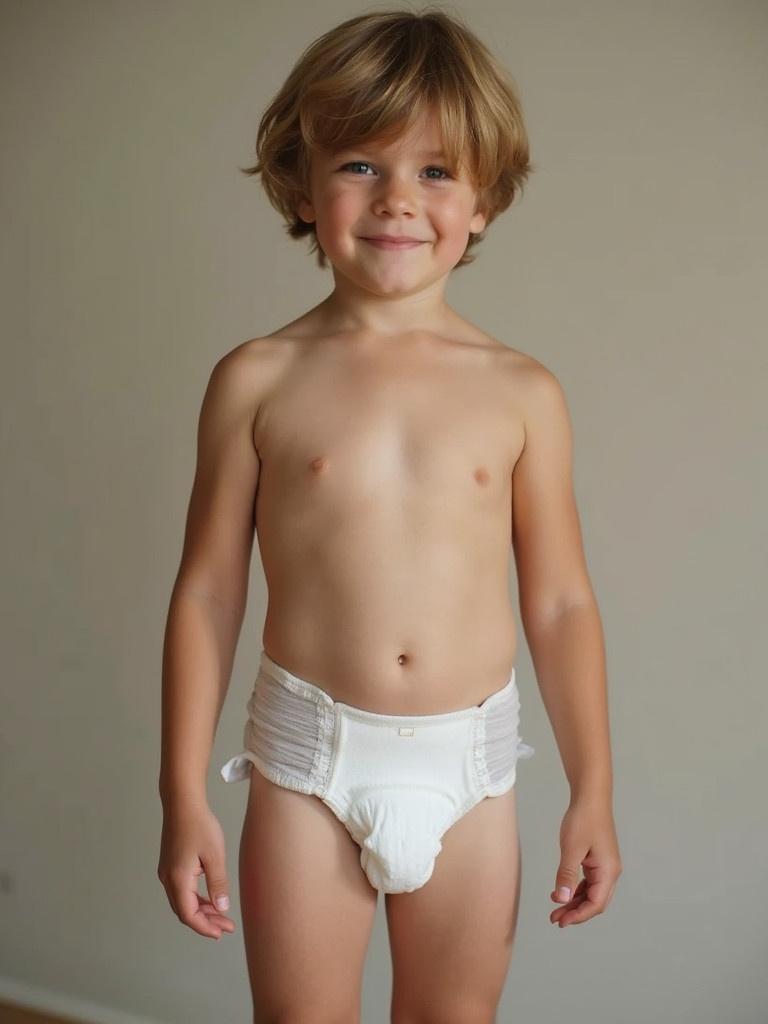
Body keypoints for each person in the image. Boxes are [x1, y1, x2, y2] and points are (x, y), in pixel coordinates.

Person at [157, 6, 622, 1021]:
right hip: (308, 763)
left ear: (486, 201)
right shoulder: (256, 378)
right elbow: (207, 590)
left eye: (438, 172)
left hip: (470, 771)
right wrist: (181, 790)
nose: (399, 200)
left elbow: (560, 603)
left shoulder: (521, 391)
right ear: (302, 179)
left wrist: (593, 786)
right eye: (362, 165)